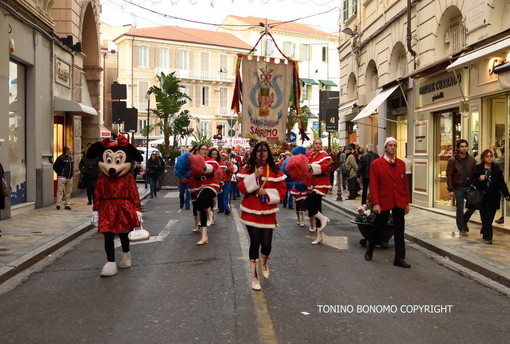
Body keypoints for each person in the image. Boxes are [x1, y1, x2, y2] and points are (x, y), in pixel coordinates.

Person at [237, 141, 286, 291]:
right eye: (258, 151)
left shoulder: (276, 171)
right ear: (254, 154)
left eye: (264, 151)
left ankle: (264, 261)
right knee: (255, 242)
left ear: (268, 153)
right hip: (250, 210)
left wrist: (268, 193)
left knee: (267, 245)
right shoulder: (248, 170)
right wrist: (254, 176)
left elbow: (282, 192)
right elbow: (241, 188)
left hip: (268, 212)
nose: (261, 153)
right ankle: (255, 277)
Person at [365, 137, 411, 268]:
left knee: (399, 230)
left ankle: (400, 258)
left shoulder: (401, 164)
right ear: (385, 148)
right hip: (383, 200)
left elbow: (404, 184)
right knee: (378, 227)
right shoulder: (376, 164)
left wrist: (407, 202)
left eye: (395, 145)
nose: (392, 147)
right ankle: (370, 249)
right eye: (390, 145)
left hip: (399, 201)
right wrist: (375, 203)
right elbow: (373, 185)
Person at [472, 149, 510, 244]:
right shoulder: (478, 168)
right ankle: (489, 237)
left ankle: (485, 230)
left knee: (491, 216)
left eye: (491, 156)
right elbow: (473, 182)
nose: (489, 158)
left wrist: (506, 194)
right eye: (487, 156)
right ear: (483, 158)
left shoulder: (496, 169)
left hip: (494, 196)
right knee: (486, 216)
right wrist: (479, 179)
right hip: (482, 196)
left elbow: (502, 183)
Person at [189, 144, 220, 245]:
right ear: (198, 150)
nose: (205, 151)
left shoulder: (211, 160)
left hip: (211, 184)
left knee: (203, 199)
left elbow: (211, 168)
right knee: (200, 209)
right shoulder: (191, 161)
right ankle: (204, 236)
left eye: (206, 149)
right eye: (202, 149)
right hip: (197, 186)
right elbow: (187, 174)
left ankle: (209, 211)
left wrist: (199, 164)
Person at [303, 138, 331, 244]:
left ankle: (323, 218)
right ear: (313, 145)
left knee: (306, 203)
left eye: (320, 144)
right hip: (313, 183)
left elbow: (324, 168)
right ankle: (319, 236)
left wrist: (311, 166)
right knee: (317, 208)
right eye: (316, 143)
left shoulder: (324, 156)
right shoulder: (310, 156)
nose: (318, 145)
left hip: (322, 183)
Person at [446, 139, 476, 236]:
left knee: (473, 205)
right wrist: (450, 189)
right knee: (460, 207)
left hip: (469, 187)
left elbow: (475, 173)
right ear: (458, 148)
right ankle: (461, 227)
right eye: (462, 146)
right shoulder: (452, 160)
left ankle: (464, 221)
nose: (464, 148)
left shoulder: (471, 159)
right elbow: (449, 175)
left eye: (465, 146)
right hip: (457, 187)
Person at [53, 146, 74, 210]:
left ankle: (67, 204)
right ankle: (58, 204)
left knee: (68, 191)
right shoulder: (61, 158)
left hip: (69, 177)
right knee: (60, 191)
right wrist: (60, 173)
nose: (71, 150)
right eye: (70, 149)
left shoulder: (71, 158)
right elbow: (55, 166)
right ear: (67, 150)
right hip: (62, 177)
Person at [218, 150, 235, 215]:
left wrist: (227, 167)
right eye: (221, 156)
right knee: (220, 195)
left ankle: (226, 208)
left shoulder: (229, 163)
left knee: (225, 195)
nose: (222, 157)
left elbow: (232, 170)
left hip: (227, 181)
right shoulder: (218, 163)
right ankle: (221, 208)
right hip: (220, 182)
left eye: (223, 156)